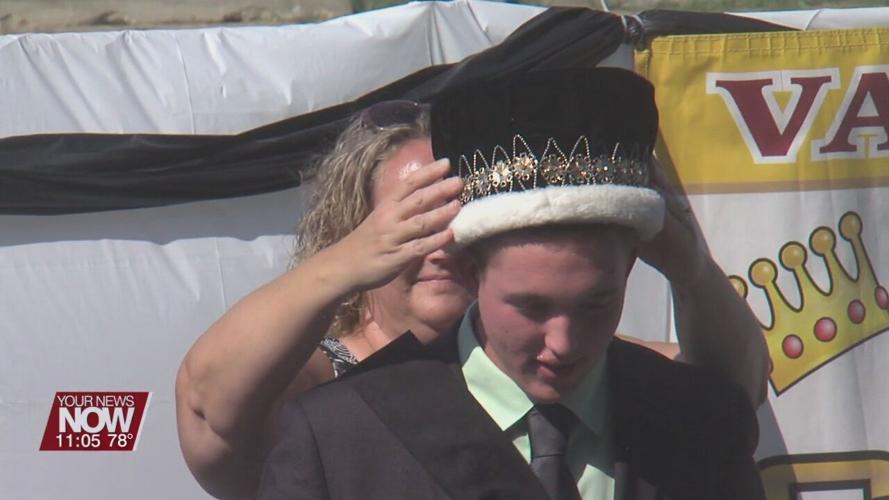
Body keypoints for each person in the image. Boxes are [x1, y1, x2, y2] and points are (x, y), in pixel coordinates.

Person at [176, 80, 768, 498]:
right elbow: (209, 411)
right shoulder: (328, 418)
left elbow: (733, 388)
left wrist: (690, 266)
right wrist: (346, 261)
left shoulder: (643, 385)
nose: (562, 341)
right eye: (415, 218)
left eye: (592, 303)